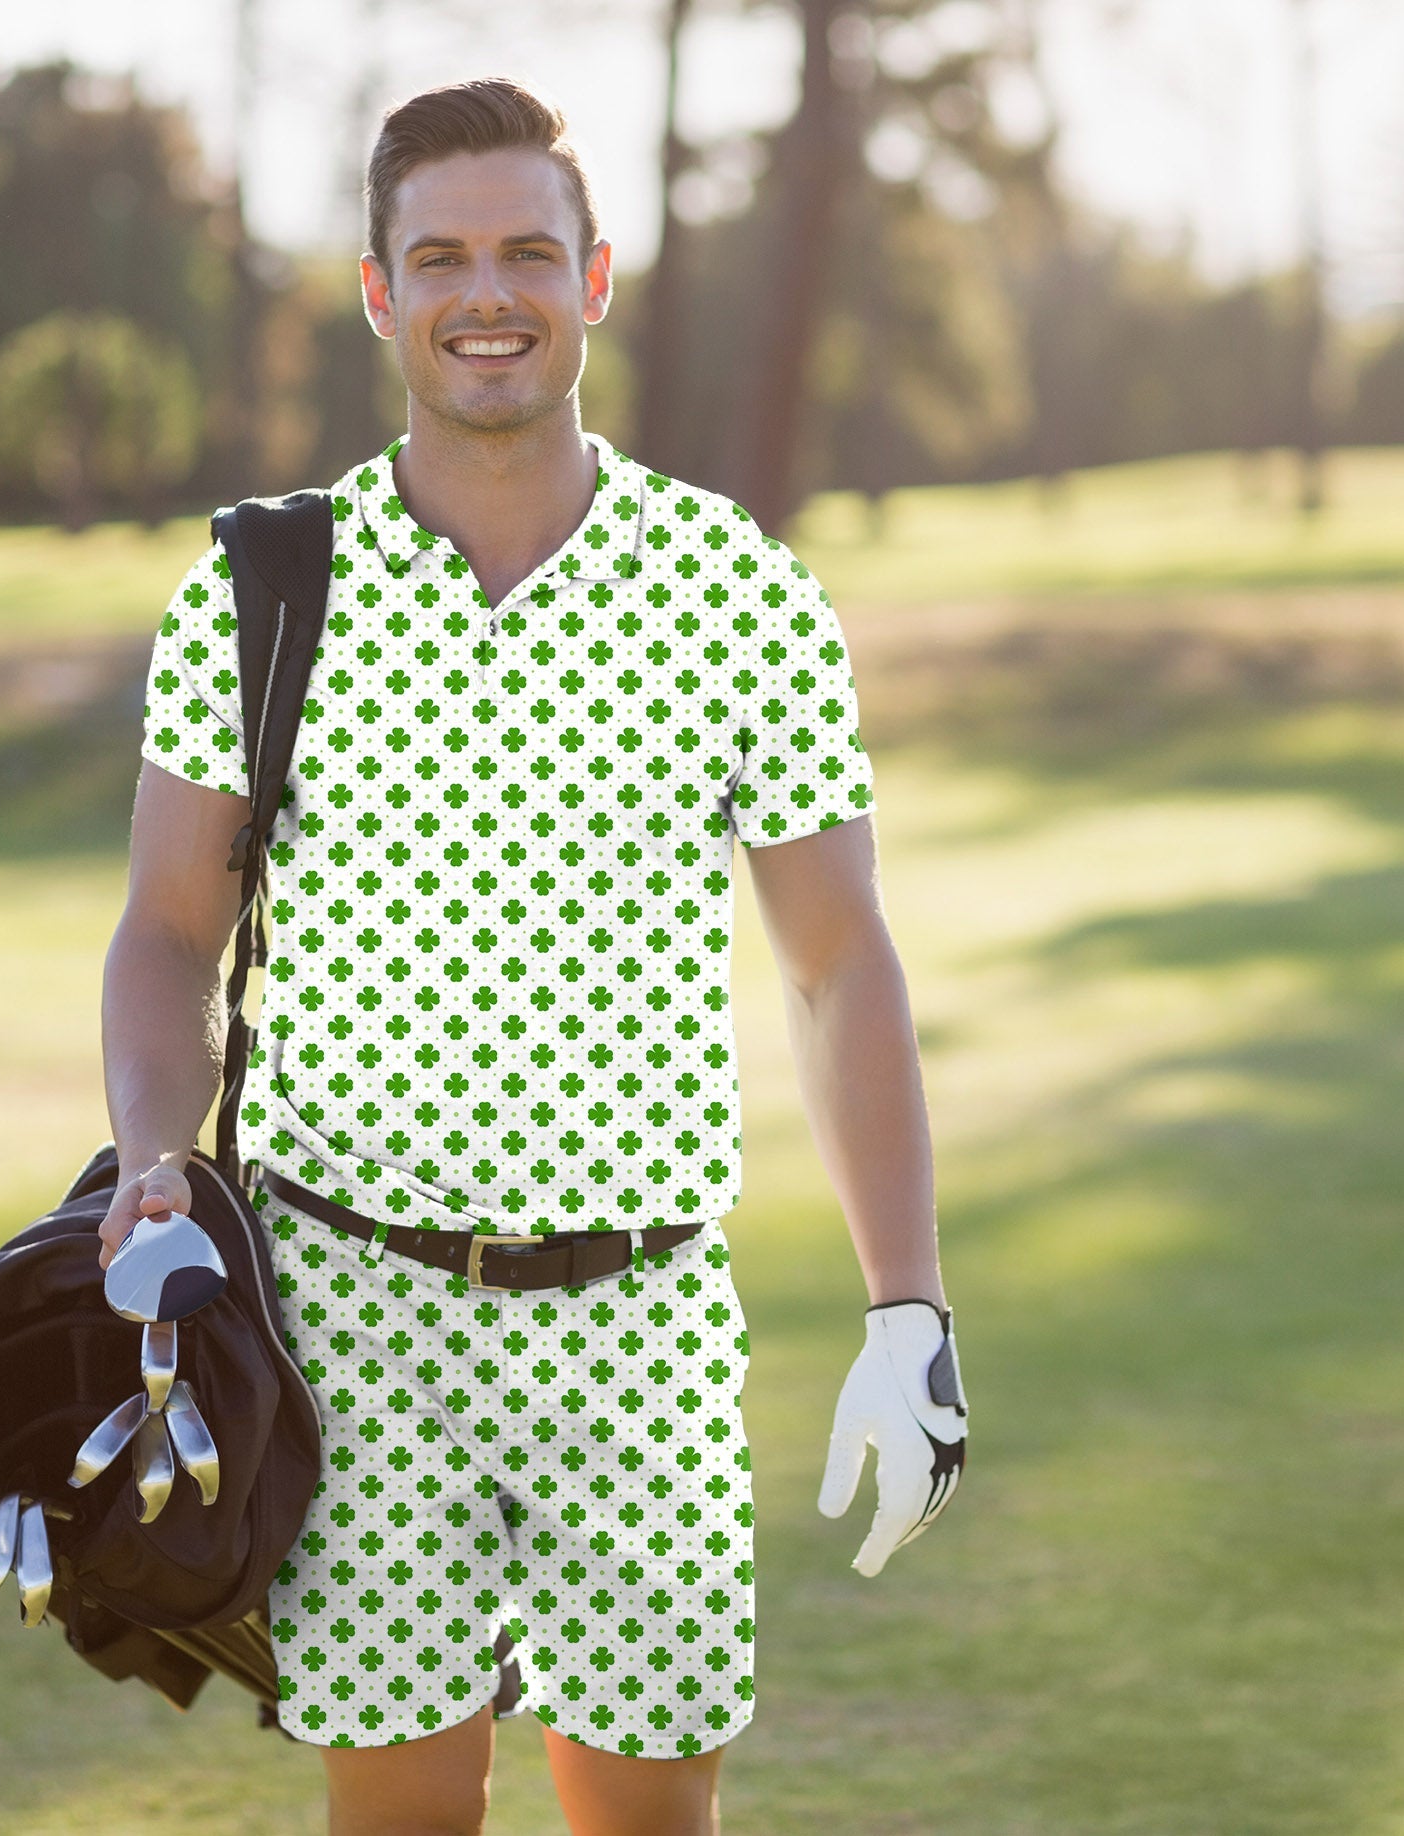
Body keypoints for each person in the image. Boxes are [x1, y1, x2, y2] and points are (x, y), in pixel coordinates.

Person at [98, 76, 964, 1836]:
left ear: (597, 277)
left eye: (524, 252)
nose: (484, 290)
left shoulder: (743, 592)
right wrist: (152, 1162)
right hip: (350, 1317)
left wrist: (909, 1309)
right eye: (441, 257)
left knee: (648, 1817)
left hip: (642, 1323)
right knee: (404, 1814)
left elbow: (836, 966)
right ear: (378, 291)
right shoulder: (264, 587)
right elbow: (171, 928)